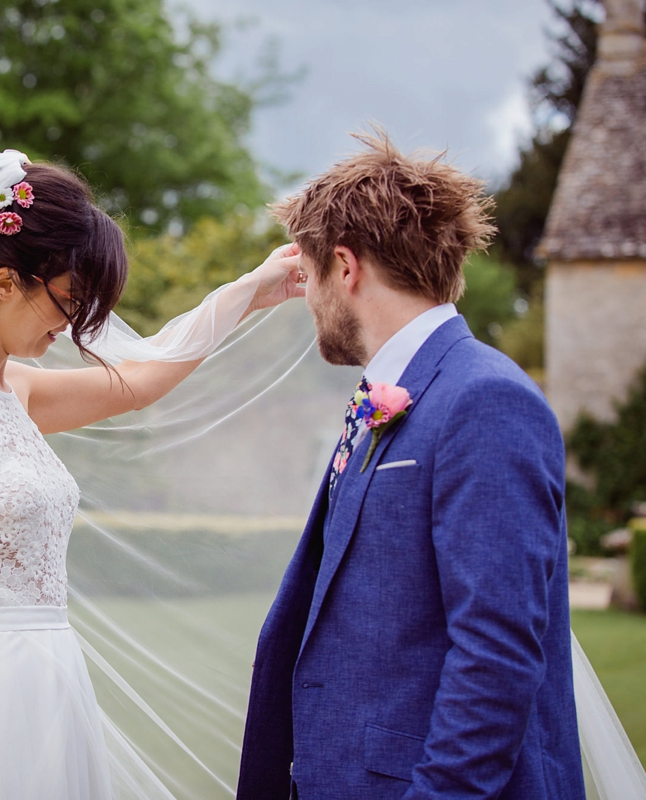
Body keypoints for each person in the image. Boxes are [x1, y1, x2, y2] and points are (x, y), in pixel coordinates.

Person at [0, 150, 305, 800]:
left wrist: (248, 292)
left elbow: (142, 379)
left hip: (53, 686)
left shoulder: (17, 388)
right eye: (67, 299)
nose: (74, 323)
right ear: (6, 282)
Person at [235, 131, 587, 799]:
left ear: (345, 267)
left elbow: (497, 658)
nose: (306, 301)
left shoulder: (484, 399)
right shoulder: (391, 397)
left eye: (308, 277)